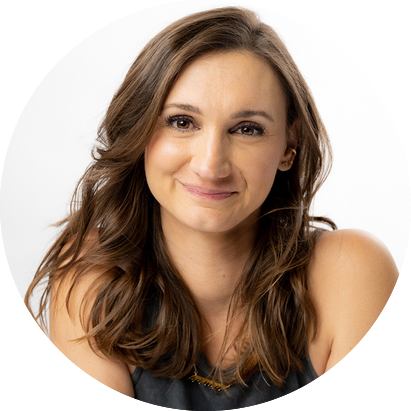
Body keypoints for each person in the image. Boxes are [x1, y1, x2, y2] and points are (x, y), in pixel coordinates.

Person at [24, 7, 399, 409]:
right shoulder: (93, 273)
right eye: (182, 122)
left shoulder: (351, 273)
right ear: (140, 129)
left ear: (289, 145)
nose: (210, 166)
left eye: (247, 129)